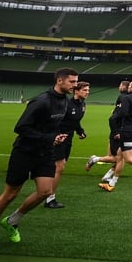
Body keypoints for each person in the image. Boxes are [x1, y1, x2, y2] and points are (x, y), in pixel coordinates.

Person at [0, 67, 78, 252]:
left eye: (76, 81)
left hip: (46, 152)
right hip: (25, 152)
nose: (75, 85)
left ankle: (12, 221)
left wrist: (56, 137)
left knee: (45, 191)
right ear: (60, 80)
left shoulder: (65, 101)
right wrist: (48, 138)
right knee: (10, 194)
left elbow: (51, 125)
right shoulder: (41, 101)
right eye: (72, 81)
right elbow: (21, 127)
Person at [45, 81, 90, 209]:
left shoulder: (82, 104)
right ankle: (49, 198)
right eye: (85, 90)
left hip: (68, 139)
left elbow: (75, 121)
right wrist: (56, 136)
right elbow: (55, 121)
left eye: (88, 90)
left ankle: (47, 192)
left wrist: (80, 131)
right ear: (76, 91)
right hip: (59, 137)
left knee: (58, 167)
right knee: (59, 166)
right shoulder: (66, 104)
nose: (87, 92)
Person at [86, 80, 127, 182]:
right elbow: (113, 117)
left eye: (120, 85)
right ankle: (95, 160)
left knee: (120, 158)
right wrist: (116, 132)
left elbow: (116, 114)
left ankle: (107, 175)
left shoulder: (123, 98)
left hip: (120, 132)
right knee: (117, 158)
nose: (119, 87)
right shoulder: (123, 97)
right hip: (118, 133)